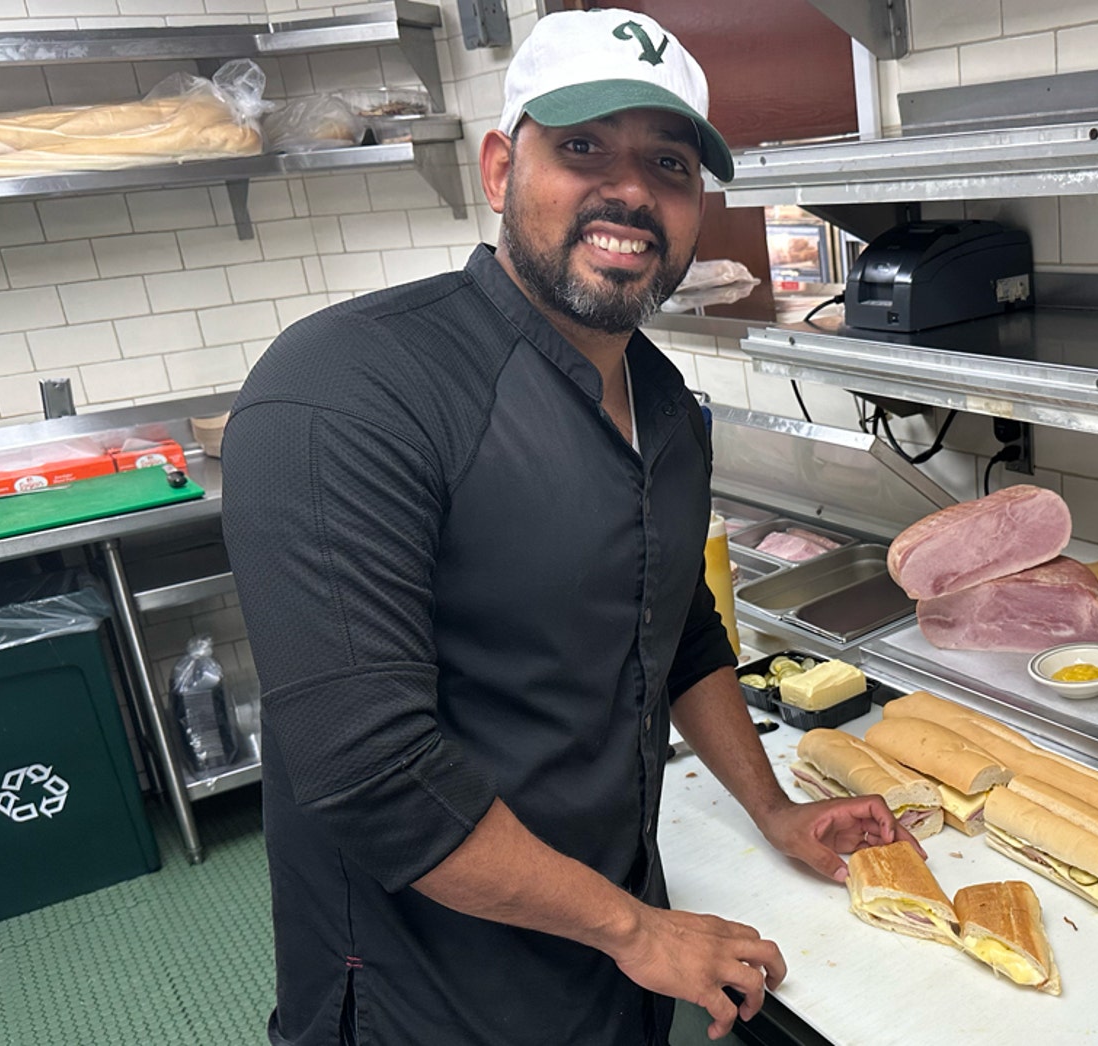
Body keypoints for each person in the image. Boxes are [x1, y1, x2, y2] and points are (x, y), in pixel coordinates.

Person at [221, 10, 917, 1045]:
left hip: (601, 957)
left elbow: (677, 631)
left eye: (668, 163)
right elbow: (369, 771)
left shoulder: (667, 408)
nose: (630, 190)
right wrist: (637, 928)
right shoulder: (348, 388)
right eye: (583, 146)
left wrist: (771, 808)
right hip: (424, 993)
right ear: (501, 166)